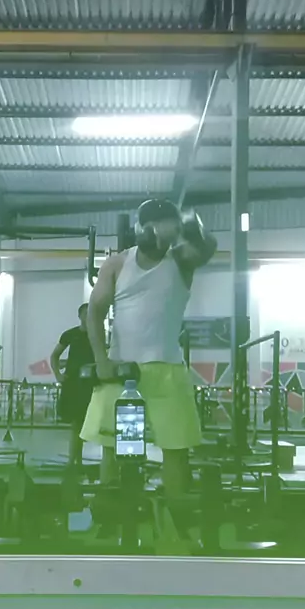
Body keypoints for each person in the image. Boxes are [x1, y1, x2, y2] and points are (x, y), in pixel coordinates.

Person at [81, 199, 217, 498]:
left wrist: (186, 228)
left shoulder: (181, 259)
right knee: (113, 447)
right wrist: (101, 360)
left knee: (175, 450)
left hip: (167, 370)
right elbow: (94, 312)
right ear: (140, 229)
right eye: (153, 229)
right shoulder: (117, 264)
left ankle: (174, 513)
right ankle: (110, 513)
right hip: (121, 370)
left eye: (166, 231)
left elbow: (207, 248)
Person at [50, 303, 94, 470]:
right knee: (76, 424)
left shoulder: (98, 335)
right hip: (74, 384)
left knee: (83, 423)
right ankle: (73, 461)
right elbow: (55, 356)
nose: (88, 316)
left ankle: (77, 461)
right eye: (85, 313)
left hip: (91, 383)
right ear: (80, 316)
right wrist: (58, 375)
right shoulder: (70, 335)